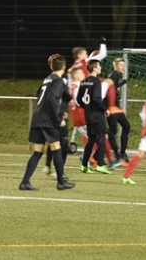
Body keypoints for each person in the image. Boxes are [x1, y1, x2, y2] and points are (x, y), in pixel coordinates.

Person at [18, 54, 75, 191]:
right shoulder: (58, 81)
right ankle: (61, 182)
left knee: (38, 151)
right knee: (56, 147)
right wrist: (58, 119)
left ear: (51, 66)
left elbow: (39, 93)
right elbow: (52, 100)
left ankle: (25, 182)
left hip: (37, 117)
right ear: (64, 67)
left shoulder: (47, 79)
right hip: (47, 119)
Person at [77, 59, 113, 175]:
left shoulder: (83, 82)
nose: (100, 68)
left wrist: (87, 107)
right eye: (99, 66)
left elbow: (78, 99)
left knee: (91, 139)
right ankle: (100, 165)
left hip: (88, 115)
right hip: (97, 115)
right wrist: (105, 109)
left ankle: (84, 165)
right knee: (102, 136)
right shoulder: (96, 82)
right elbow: (97, 98)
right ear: (94, 68)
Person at [106, 57, 131, 162]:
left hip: (116, 108)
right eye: (121, 65)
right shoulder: (114, 75)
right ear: (115, 66)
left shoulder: (116, 76)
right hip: (112, 108)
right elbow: (106, 89)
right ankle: (96, 154)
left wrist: (123, 83)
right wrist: (106, 107)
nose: (123, 67)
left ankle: (122, 153)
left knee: (125, 127)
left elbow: (114, 87)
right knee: (112, 132)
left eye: (123, 65)